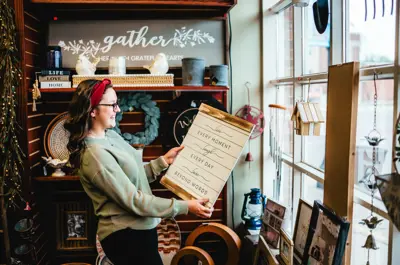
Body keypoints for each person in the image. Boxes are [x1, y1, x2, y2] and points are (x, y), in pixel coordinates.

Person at [64, 79, 213, 265]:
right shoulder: (95, 156)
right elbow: (135, 200)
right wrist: (185, 207)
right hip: (125, 237)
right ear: (92, 110)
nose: (117, 110)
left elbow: (132, 176)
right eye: (112, 105)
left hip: (139, 231)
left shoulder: (109, 135)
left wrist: (162, 162)